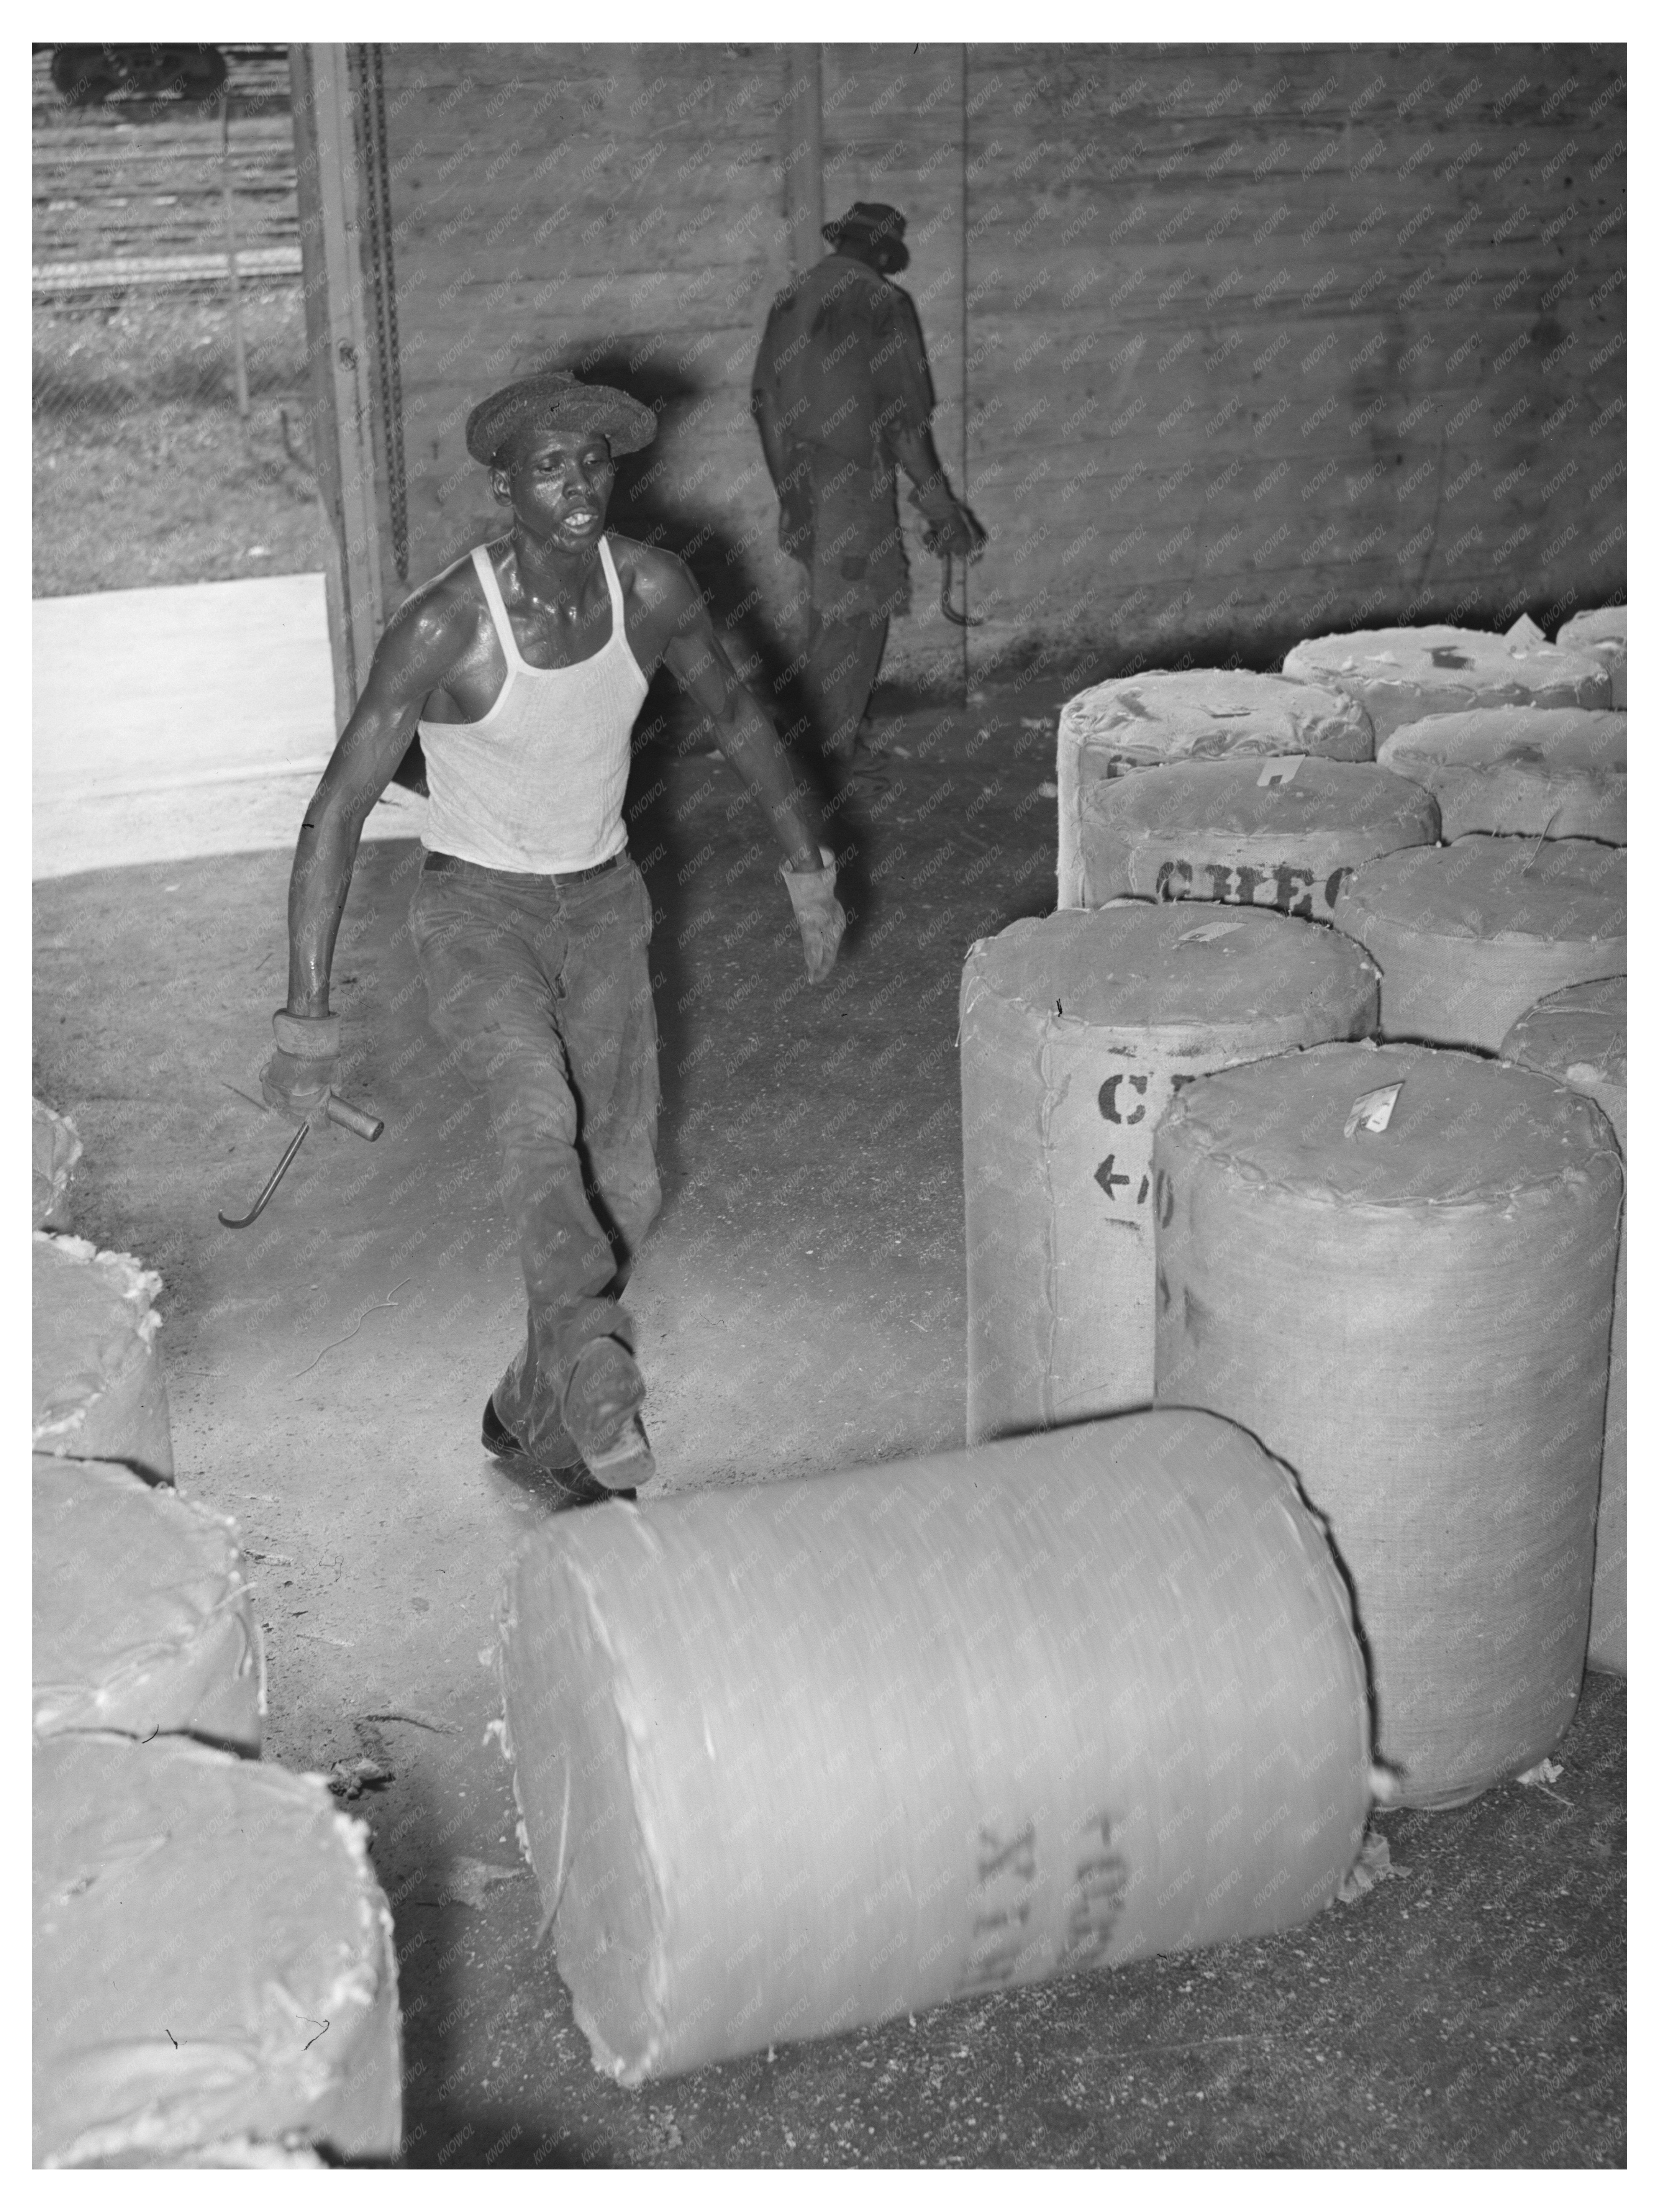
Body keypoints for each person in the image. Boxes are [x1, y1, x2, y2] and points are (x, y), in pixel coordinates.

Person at [261, 371, 846, 1505]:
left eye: (593, 462)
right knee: (540, 1128)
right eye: (547, 467)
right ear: (502, 486)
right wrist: (305, 1017)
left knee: (627, 1184)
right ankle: (589, 1366)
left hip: (605, 900)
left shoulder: (653, 587)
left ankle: (527, 1407)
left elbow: (735, 712)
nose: (576, 487)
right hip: (477, 910)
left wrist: (806, 869)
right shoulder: (445, 624)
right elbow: (337, 806)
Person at [750, 199, 986, 778]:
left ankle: (808, 739)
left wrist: (789, 492)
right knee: (855, 618)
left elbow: (764, 403)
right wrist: (941, 507)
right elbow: (904, 423)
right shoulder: (882, 302)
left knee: (826, 615)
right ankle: (826, 756)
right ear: (882, 252)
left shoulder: (793, 297)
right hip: (850, 478)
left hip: (800, 476)